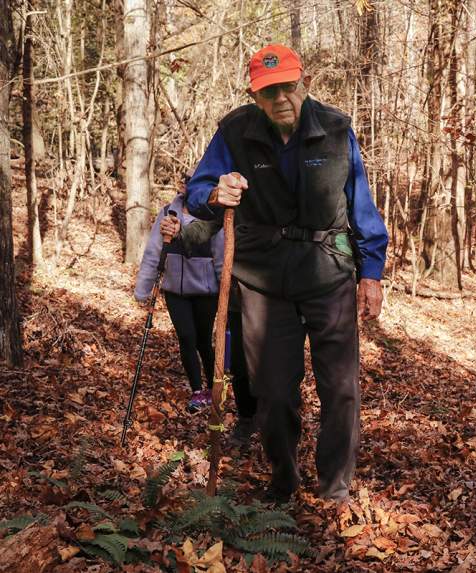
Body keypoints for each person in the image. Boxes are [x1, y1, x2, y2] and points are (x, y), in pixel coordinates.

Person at [184, 44, 388, 502]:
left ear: (305, 82)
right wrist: (217, 192)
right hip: (262, 278)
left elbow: (363, 207)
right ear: (255, 96)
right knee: (273, 392)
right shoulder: (235, 131)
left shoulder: (336, 130)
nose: (281, 99)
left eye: (288, 87)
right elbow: (197, 188)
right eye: (268, 91)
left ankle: (334, 486)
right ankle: (284, 478)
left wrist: (370, 273)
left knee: (341, 388)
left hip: (330, 273)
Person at [161, 216, 258, 446]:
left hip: (224, 289)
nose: (186, 183)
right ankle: (245, 416)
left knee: (208, 343)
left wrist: (218, 287)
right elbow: (156, 250)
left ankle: (266, 415)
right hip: (198, 290)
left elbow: (217, 249)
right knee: (234, 360)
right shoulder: (171, 211)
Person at [134, 193, 224, 412]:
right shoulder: (167, 213)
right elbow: (153, 251)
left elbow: (221, 255)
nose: (186, 184)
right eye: (184, 179)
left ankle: (216, 389)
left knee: (203, 340)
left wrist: (226, 293)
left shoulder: (213, 216)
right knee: (186, 337)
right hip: (175, 290)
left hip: (206, 291)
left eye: (191, 179)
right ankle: (197, 391)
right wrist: (142, 289)